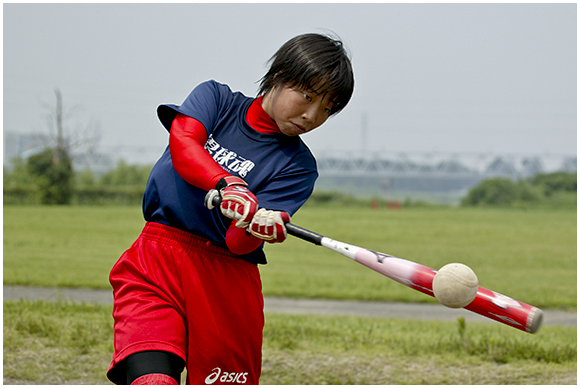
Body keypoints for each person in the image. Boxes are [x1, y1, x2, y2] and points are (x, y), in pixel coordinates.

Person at [106, 32, 354, 385]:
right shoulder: (216, 100)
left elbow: (239, 244)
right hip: (157, 260)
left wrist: (256, 227)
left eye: (327, 109)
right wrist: (229, 184)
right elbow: (183, 144)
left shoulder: (298, 166)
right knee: (152, 377)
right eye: (307, 96)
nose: (312, 115)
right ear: (280, 76)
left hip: (227, 283)